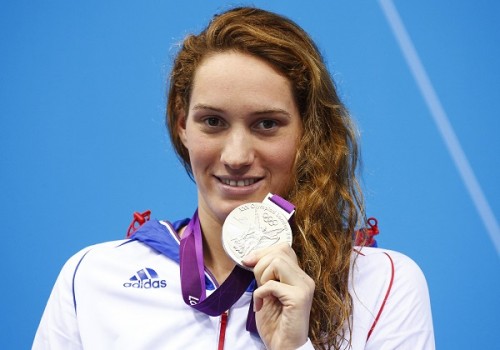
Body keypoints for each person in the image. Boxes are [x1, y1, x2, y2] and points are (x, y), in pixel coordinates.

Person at [33, 7, 435, 350]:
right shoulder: (93, 277)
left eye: (266, 124)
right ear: (182, 126)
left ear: (307, 134)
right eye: (212, 121)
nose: (237, 156)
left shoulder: (381, 286)